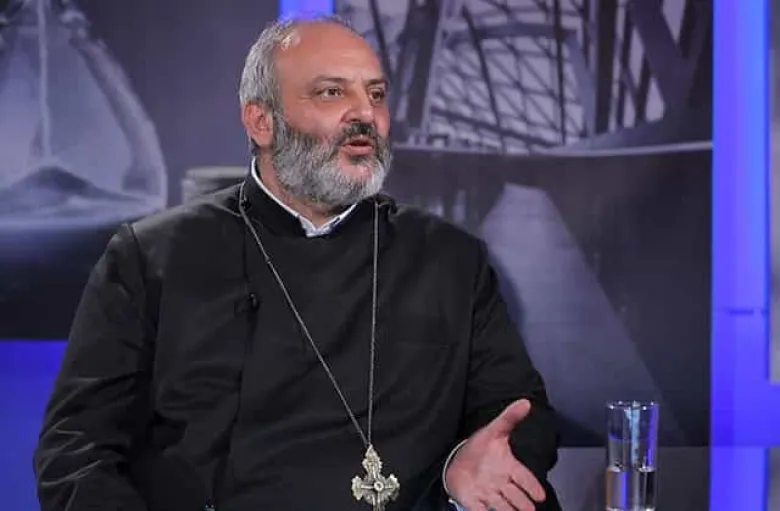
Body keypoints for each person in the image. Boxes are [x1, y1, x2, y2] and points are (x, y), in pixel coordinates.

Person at [33, 14, 562, 511]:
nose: (365, 114)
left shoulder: (450, 259)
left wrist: (462, 466)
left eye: (376, 94)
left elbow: (519, 413)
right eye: (332, 92)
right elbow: (76, 450)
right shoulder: (151, 259)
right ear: (261, 122)